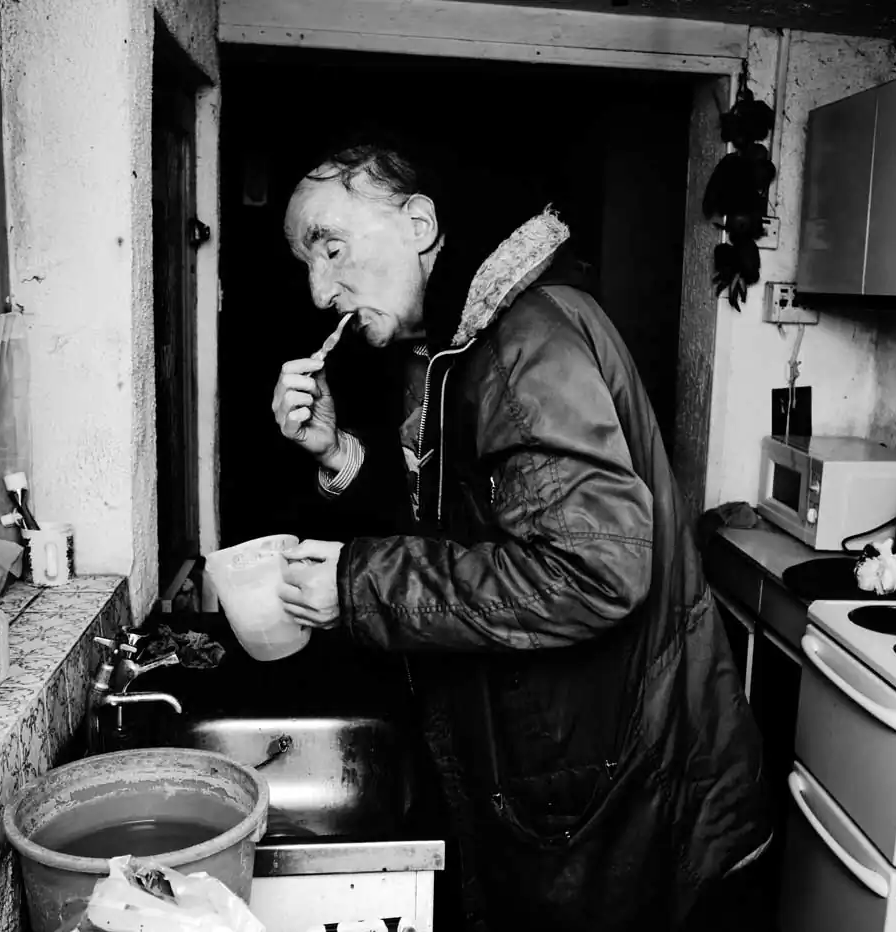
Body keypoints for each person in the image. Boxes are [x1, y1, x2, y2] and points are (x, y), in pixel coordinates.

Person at [269, 141, 772, 932]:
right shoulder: (454, 349)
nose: (320, 288)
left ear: (421, 223)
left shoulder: (521, 345)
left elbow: (591, 571)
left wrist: (357, 584)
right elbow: (467, 532)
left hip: (618, 785)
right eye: (306, 261)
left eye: (331, 247)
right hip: (573, 764)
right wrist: (343, 456)